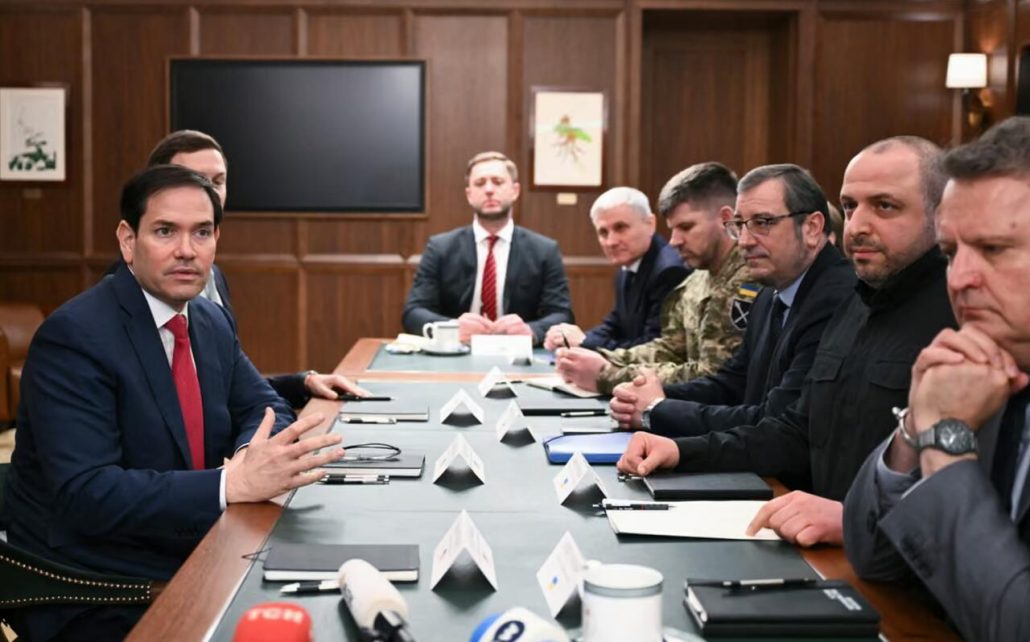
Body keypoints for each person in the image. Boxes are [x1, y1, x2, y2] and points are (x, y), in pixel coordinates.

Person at [3, 165, 346, 641]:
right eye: (165, 231)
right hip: (96, 581)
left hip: (187, 542)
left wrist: (248, 457)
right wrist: (230, 484)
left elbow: (263, 405)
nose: (187, 249)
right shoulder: (75, 337)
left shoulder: (207, 320)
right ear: (128, 241)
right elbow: (87, 494)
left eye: (201, 232)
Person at [617, 136, 956, 547]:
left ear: (943, 214)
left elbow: (960, 504)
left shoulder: (954, 316)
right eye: (850, 206)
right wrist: (680, 450)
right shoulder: (857, 302)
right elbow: (796, 430)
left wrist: (856, 520)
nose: (857, 226)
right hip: (821, 540)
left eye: (885, 206)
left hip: (882, 556)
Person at [843, 117, 1030, 642]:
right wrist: (915, 429)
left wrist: (946, 443)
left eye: (994, 249)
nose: (960, 279)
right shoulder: (981, 369)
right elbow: (872, 555)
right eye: (950, 253)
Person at [609, 164, 855, 436]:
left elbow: (775, 423)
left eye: (763, 222)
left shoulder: (837, 299)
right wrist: (652, 396)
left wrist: (658, 410)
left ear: (811, 227)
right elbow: (733, 383)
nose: (745, 241)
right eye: (739, 225)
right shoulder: (769, 294)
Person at [139, 130, 365, 405]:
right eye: (196, 180)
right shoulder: (128, 290)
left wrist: (302, 383)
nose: (210, 192)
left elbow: (228, 388)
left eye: (218, 181)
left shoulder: (213, 276)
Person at [555, 162, 755, 394]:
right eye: (672, 229)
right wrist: (604, 358)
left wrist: (607, 374)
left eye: (686, 227)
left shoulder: (749, 280)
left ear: (725, 219)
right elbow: (670, 348)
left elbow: (712, 377)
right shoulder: (697, 278)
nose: (674, 241)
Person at [401, 151, 573, 345]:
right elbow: (413, 312)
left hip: (518, 353)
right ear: (469, 194)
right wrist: (451, 328)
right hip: (457, 351)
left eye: (498, 182)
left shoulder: (544, 251)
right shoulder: (441, 248)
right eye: (480, 183)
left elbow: (562, 314)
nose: (489, 189)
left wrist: (531, 331)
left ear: (515, 191)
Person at [542, 186, 688, 352]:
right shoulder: (628, 265)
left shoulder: (669, 271)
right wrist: (569, 339)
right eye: (603, 232)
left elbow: (652, 348)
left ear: (650, 224)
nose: (611, 242)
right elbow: (616, 324)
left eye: (620, 228)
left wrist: (584, 342)